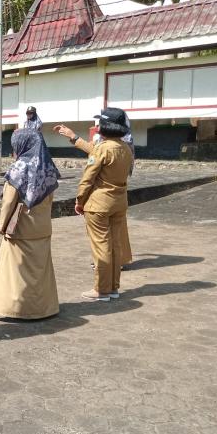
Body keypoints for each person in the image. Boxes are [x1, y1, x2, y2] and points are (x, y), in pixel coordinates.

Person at [0, 130, 60, 319]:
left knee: (17, 273)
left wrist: (2, 225)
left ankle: (18, 309)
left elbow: (8, 201)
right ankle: (44, 308)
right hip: (42, 227)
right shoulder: (48, 166)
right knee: (41, 271)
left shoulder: (19, 167)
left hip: (21, 227)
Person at [71, 107, 133, 302]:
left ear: (106, 126)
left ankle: (101, 289)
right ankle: (113, 287)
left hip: (99, 204)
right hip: (119, 202)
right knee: (115, 246)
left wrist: (80, 200)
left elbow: (87, 178)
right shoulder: (126, 148)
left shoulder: (102, 149)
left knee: (101, 247)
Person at [55, 121, 133, 267]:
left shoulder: (112, 144)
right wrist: (73, 136)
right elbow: (93, 149)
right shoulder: (123, 146)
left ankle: (106, 266)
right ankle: (116, 263)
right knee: (115, 235)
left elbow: (88, 175)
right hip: (119, 197)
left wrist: (80, 200)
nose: (97, 128)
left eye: (100, 124)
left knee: (104, 239)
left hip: (102, 196)